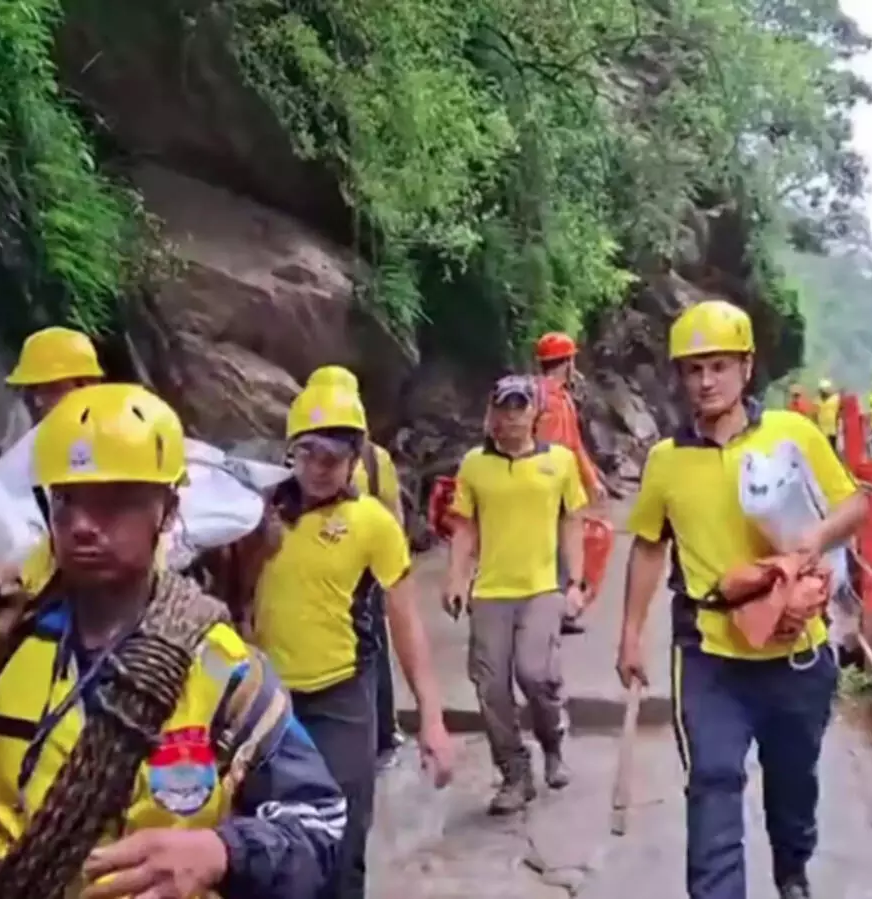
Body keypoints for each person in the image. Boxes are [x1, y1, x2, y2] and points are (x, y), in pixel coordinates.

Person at [0, 383, 344, 898]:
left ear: (166, 512)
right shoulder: (6, 636)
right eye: (66, 501)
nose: (80, 525)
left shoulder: (221, 669)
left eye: (114, 503)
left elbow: (319, 825)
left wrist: (222, 852)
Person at [616, 300, 866, 899]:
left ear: (746, 368)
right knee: (712, 781)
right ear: (679, 377)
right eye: (693, 369)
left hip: (796, 653)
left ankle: (792, 870)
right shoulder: (665, 461)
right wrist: (629, 633)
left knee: (792, 783)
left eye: (719, 366)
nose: (705, 381)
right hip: (707, 654)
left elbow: (855, 506)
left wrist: (813, 538)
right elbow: (649, 547)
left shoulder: (794, 434)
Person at [251, 382, 455, 899]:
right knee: (266, 843)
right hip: (266, 701)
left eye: (336, 455)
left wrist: (431, 718)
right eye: (310, 452)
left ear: (355, 458)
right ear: (291, 451)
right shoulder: (256, 514)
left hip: (340, 700)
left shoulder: (372, 525)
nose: (321, 467)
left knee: (343, 844)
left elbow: (406, 623)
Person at [443, 375, 587, 814]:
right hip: (490, 591)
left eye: (520, 407)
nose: (512, 416)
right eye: (504, 407)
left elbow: (573, 521)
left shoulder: (559, 462)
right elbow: (465, 527)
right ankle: (514, 773)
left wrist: (576, 583)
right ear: (492, 412)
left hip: (542, 587)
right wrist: (455, 578)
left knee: (534, 673)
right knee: (491, 688)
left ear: (535, 413)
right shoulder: (474, 465)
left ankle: (553, 741)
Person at [303, 365, 405, 768]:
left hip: (350, 569)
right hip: (368, 573)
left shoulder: (301, 458)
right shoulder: (376, 458)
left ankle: (368, 737)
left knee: (359, 654)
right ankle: (382, 735)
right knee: (372, 652)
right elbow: (394, 513)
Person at [533, 332, 608, 635]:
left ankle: (559, 608)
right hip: (552, 486)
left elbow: (575, 445)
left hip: (556, 485)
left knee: (560, 547)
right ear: (567, 363)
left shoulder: (554, 397)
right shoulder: (550, 400)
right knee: (558, 547)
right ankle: (555, 610)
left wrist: (593, 480)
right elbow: (554, 446)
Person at [5, 326, 106, 422]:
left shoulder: (115, 430)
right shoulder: (40, 437)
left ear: (87, 384)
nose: (38, 402)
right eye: (33, 390)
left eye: (50, 389)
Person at [815, 379, 841, 452]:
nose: (823, 391)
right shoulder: (817, 400)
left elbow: (841, 412)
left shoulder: (836, 398)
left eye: (825, 389)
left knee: (834, 451)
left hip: (834, 430)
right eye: (821, 390)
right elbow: (815, 415)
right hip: (822, 431)